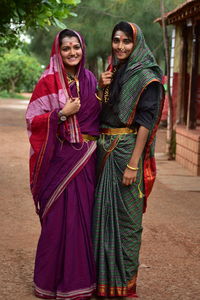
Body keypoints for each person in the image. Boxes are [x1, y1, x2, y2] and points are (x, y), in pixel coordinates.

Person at [26, 29, 101, 300]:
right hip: (58, 162)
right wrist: (60, 114)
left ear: (83, 48)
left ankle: (78, 282)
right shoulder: (47, 82)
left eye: (76, 47)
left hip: (86, 161)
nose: (72, 53)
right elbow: (32, 120)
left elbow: (100, 118)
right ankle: (48, 282)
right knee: (57, 222)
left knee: (82, 220)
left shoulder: (91, 79)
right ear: (58, 51)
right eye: (66, 48)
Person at [92, 21, 164, 298]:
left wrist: (134, 163)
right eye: (116, 40)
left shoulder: (147, 77)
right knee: (101, 215)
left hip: (126, 152)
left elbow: (146, 122)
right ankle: (102, 284)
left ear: (137, 44)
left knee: (127, 222)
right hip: (104, 149)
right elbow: (102, 112)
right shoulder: (113, 72)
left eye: (126, 42)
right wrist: (101, 87)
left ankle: (124, 285)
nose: (120, 46)